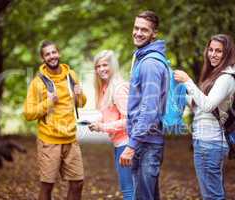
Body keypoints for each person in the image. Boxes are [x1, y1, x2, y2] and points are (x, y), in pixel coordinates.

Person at [174, 34, 235, 200]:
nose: (213, 54)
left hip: (210, 144)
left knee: (213, 196)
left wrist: (188, 80)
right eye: (210, 49)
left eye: (219, 51)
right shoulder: (214, 75)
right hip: (203, 142)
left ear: (228, 54)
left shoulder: (225, 78)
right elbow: (202, 108)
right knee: (210, 195)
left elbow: (208, 105)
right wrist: (182, 94)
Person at [23, 40, 86, 200]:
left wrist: (80, 94)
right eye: (47, 54)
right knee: (47, 186)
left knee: (78, 183)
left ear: (59, 53)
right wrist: (48, 102)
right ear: (43, 58)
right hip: (49, 142)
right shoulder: (37, 83)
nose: (52, 56)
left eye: (53, 52)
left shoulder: (71, 75)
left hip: (71, 140)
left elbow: (81, 103)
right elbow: (28, 113)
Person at [119, 11, 169, 200]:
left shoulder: (150, 64)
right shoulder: (143, 58)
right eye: (136, 28)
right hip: (145, 142)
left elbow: (150, 109)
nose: (138, 33)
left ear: (154, 33)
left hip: (147, 144)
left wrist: (131, 145)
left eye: (144, 30)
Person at [88, 50, 133, 200]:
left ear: (112, 66)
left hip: (126, 144)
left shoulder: (119, 88)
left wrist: (102, 127)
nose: (101, 69)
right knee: (126, 187)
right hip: (118, 144)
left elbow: (129, 121)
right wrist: (99, 121)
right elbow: (109, 112)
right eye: (98, 66)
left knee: (128, 189)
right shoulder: (105, 88)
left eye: (105, 65)